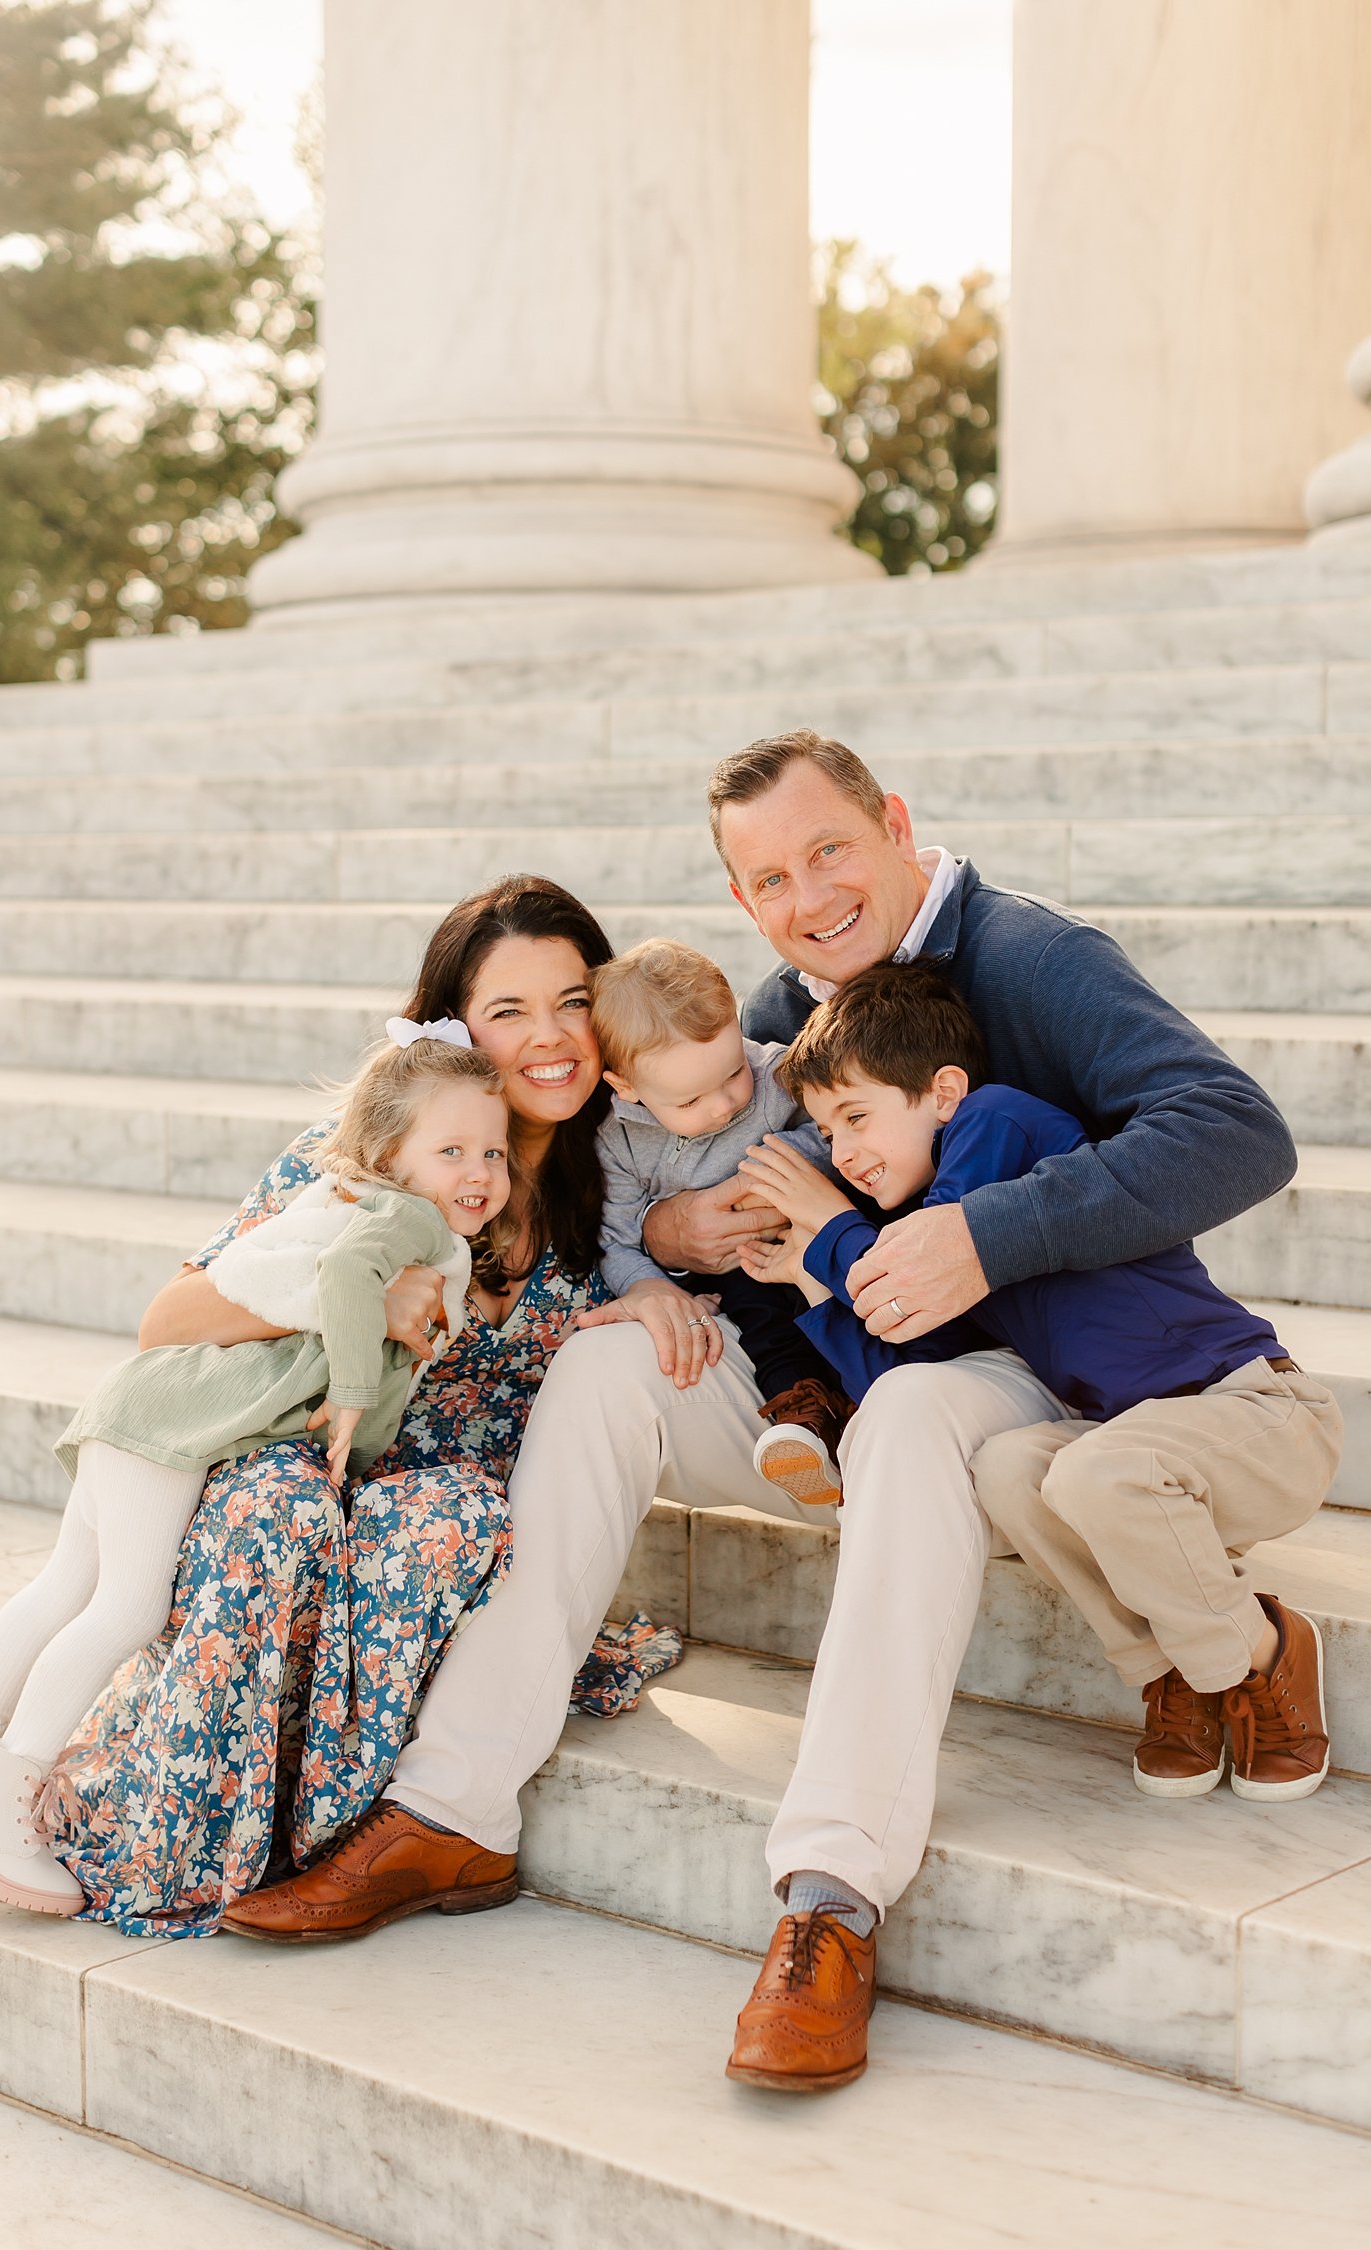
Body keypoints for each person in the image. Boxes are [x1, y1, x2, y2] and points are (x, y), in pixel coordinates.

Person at [221, 727, 1296, 2105]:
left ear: (898, 824)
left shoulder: (1032, 956)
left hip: (1013, 1361)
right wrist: (669, 1233)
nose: (808, 896)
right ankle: (452, 1808)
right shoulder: (781, 1002)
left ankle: (831, 1894)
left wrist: (984, 1238)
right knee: (610, 1369)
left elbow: (1239, 1129)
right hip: (818, 1366)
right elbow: (691, 1165)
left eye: (830, 850)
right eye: (770, 877)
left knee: (910, 1413)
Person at [0, 878, 696, 1940]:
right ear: (455, 1029)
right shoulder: (369, 1153)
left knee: (451, 1525)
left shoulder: (619, 1179)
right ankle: (145, 1829)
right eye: (507, 1012)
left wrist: (663, 1276)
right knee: (274, 1516)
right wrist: (357, 1297)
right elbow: (170, 1318)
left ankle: (337, 1834)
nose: (550, 1038)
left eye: (571, 1002)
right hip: (299, 1449)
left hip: (434, 1499)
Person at [0, 1031, 513, 1917]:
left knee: (63, 1586)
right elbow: (346, 1281)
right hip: (174, 1425)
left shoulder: (351, 1199)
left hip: (147, 1404)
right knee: (126, 1609)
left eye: (491, 1150)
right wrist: (349, 1394)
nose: (478, 1171)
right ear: (389, 1157)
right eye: (450, 1151)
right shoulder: (405, 1222)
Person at [737, 962, 1342, 1822]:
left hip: (1255, 1414)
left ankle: (1259, 1654)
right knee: (1008, 1467)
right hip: (1143, 1448)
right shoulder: (955, 1235)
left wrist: (828, 1229)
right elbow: (907, 1355)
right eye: (827, 1135)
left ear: (944, 1092)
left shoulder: (996, 1124)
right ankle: (1170, 1668)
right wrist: (811, 1282)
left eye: (856, 1118)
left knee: (1098, 1473)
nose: (843, 1156)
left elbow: (905, 1263)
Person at [589, 936, 853, 1507]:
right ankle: (805, 1422)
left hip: (804, 1236)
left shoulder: (779, 1074)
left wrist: (780, 1170)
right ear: (626, 1087)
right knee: (765, 1322)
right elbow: (614, 1236)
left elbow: (838, 1131)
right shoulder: (619, 1138)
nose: (723, 1106)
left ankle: (864, 1401)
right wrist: (649, 1285)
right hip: (734, 1274)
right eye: (688, 1102)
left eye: (733, 1073)